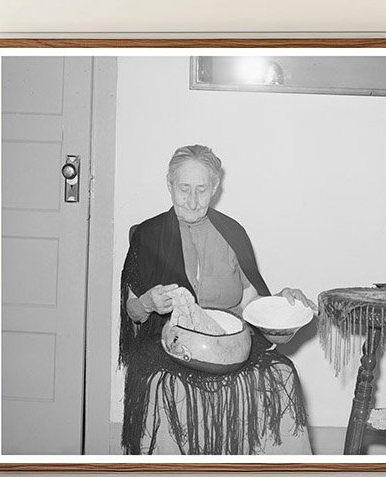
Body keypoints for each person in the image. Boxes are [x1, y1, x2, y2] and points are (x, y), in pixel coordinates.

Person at [119, 144, 315, 455]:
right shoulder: (147, 234)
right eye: (184, 188)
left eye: (202, 189)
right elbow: (132, 311)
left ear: (215, 188)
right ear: (169, 184)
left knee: (282, 372)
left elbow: (251, 303)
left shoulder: (233, 232)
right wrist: (147, 302)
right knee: (171, 388)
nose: (193, 200)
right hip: (170, 343)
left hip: (230, 341)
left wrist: (281, 304)